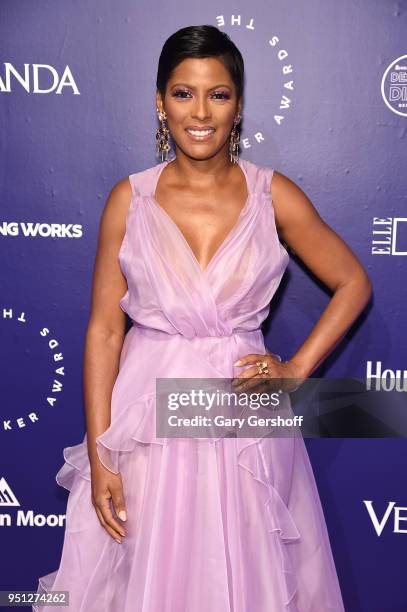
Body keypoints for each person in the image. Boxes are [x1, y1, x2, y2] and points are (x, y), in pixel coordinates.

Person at [34, 24, 371, 611]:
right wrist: (99, 450)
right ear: (160, 102)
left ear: (238, 106)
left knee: (245, 570)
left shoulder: (273, 195)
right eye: (183, 92)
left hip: (243, 411)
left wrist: (296, 368)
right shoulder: (129, 199)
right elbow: (105, 330)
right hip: (148, 409)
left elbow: (352, 281)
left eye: (218, 94)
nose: (201, 112)